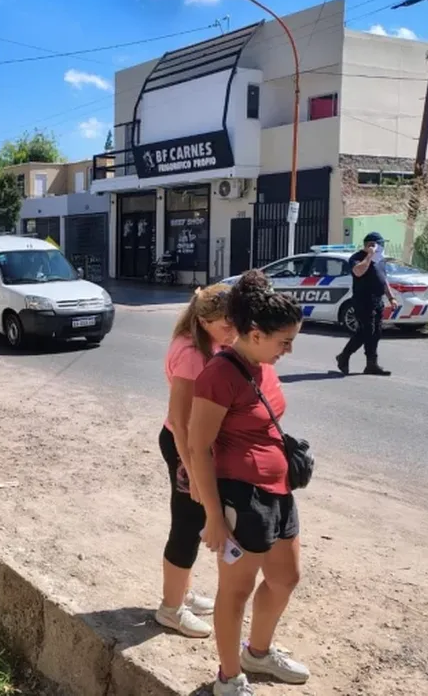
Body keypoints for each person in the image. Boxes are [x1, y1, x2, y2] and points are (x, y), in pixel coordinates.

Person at [188, 271, 308, 696]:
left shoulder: (263, 366)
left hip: (279, 493)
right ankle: (229, 677)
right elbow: (197, 446)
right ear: (255, 334)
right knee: (235, 591)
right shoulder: (218, 376)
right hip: (242, 495)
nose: (289, 350)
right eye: (284, 342)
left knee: (286, 578)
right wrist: (213, 515)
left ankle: (258, 653)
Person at [156, 284, 236, 638]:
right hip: (183, 445)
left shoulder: (205, 343)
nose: (232, 332)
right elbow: (180, 418)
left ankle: (182, 594)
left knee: (192, 521)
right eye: (226, 325)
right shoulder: (191, 353)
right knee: (187, 525)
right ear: (204, 321)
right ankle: (171, 609)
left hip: (190, 445)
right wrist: (192, 470)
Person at [336, 231, 397, 377]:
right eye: (380, 244)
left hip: (377, 300)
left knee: (376, 332)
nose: (382, 247)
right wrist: (369, 255)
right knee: (366, 332)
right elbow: (358, 272)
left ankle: (371, 364)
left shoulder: (380, 260)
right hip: (363, 300)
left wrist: (391, 297)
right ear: (370, 245)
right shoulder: (357, 258)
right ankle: (345, 356)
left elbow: (383, 279)